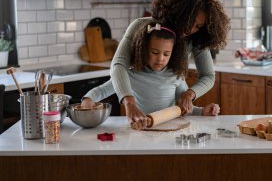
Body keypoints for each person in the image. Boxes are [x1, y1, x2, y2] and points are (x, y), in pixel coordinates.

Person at [110, 0, 230, 125]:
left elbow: (208, 76)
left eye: (198, 26)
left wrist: (190, 94)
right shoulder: (142, 27)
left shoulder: (195, 38)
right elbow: (118, 65)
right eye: (189, 21)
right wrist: (129, 102)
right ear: (178, 12)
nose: (190, 30)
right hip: (140, 114)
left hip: (173, 118)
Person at [82, 20, 220, 129]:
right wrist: (88, 99)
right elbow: (101, 91)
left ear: (174, 54)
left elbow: (183, 108)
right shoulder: (130, 76)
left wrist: (202, 111)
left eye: (166, 54)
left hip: (172, 131)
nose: (160, 58)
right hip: (141, 132)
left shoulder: (176, 76)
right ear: (143, 49)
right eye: (154, 52)